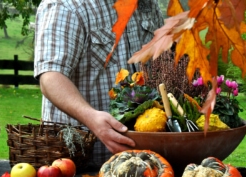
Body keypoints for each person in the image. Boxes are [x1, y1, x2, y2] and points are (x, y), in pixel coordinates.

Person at [34, 0, 164, 167]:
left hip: (145, 163)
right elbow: (50, 77)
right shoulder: (65, 6)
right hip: (78, 165)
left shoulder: (146, 4)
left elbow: (162, 62)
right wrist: (91, 118)